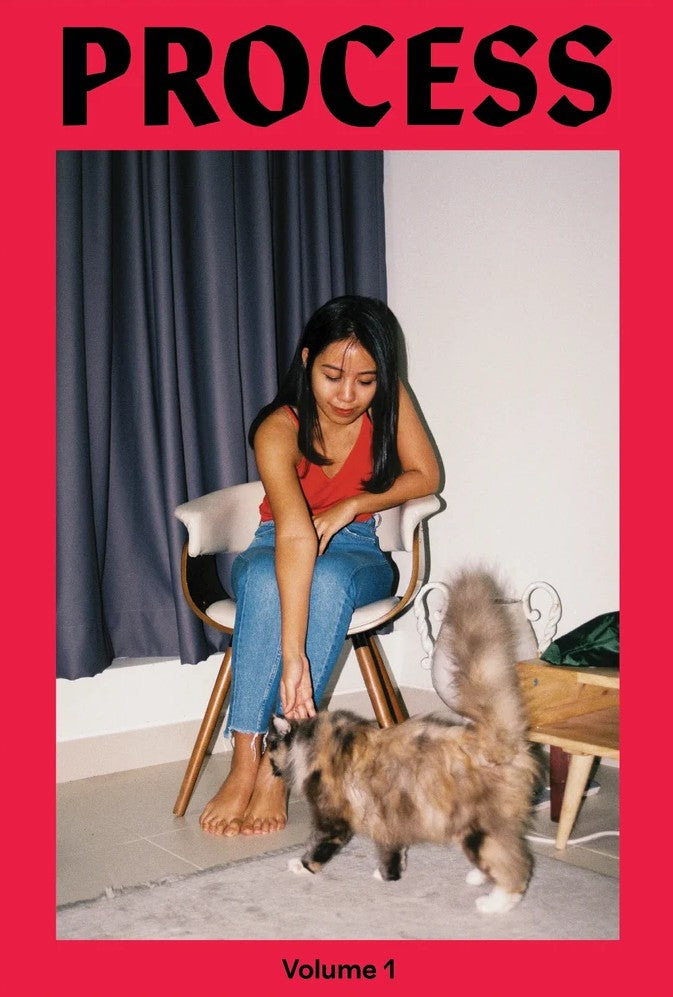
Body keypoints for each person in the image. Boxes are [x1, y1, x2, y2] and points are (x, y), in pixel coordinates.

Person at [200, 295, 440, 836]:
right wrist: (294, 659)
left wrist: (355, 504)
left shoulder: (390, 400)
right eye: (333, 376)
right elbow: (293, 534)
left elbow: (426, 475)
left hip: (357, 552)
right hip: (277, 541)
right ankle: (246, 758)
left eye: (366, 381)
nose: (348, 395)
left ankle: (278, 762)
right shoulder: (277, 427)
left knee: (329, 578)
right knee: (267, 577)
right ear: (307, 360)